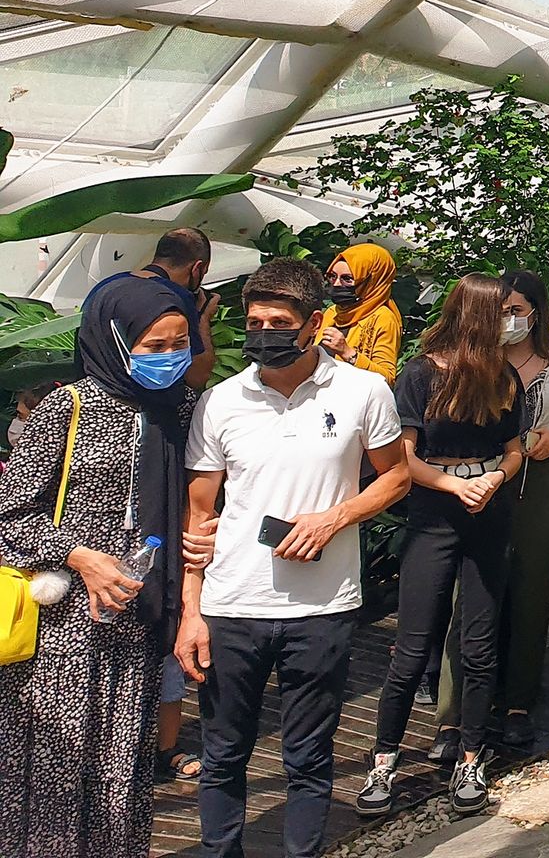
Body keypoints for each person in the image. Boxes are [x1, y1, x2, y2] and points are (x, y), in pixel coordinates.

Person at [176, 257, 409, 858]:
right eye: (254, 323)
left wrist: (335, 518)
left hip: (322, 605)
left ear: (313, 323)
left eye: (278, 323)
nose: (263, 335)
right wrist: (190, 610)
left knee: (309, 755)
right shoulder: (222, 401)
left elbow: (397, 477)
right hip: (232, 603)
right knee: (224, 753)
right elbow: (200, 513)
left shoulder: (363, 391)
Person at [0, 273, 196, 858]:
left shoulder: (178, 409)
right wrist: (79, 555)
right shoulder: (68, 408)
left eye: (179, 344)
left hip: (134, 625)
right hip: (60, 632)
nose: (168, 359)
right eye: (153, 347)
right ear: (113, 339)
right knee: (53, 767)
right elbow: (9, 516)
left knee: (119, 772)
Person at [360, 274, 524, 819]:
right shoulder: (422, 374)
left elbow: (515, 451)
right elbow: (403, 457)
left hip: (489, 511)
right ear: (478, 316)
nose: (512, 320)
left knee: (479, 645)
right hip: (434, 514)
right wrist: (456, 485)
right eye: (502, 312)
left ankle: (470, 757)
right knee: (412, 646)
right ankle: (383, 760)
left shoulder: (504, 377)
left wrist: (493, 480)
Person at [429, 269, 549, 759]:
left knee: (531, 591)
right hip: (484, 480)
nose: (507, 320)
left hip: (541, 480)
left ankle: (518, 705)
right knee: (472, 593)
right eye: (500, 310)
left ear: (537, 312)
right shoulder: (475, 359)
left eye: (517, 311)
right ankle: (453, 715)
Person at [82, 227, 220, 388]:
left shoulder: (106, 287)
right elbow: (197, 376)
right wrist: (202, 318)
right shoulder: (174, 297)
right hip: (145, 402)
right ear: (197, 268)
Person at [319, 243, 402, 383]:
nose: (337, 284)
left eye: (347, 279)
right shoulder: (332, 312)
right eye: (332, 277)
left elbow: (387, 378)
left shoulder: (383, 318)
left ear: (371, 281)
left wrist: (347, 352)